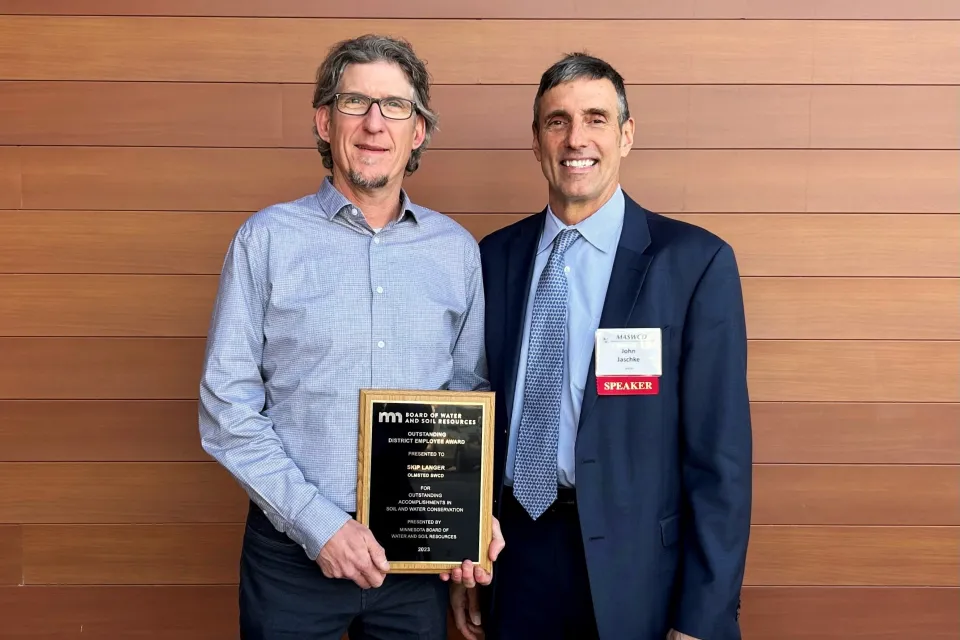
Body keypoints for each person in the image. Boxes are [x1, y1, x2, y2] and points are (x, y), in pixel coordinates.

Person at [198, 34, 500, 640]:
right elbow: (225, 409)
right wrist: (320, 526)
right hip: (290, 562)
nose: (373, 123)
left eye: (395, 106)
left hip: (415, 565)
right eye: (354, 103)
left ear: (418, 131)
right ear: (323, 120)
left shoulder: (456, 253)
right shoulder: (265, 242)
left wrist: (471, 513)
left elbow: (469, 399)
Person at [449, 53, 752, 640]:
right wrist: (464, 553)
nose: (575, 139)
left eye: (595, 118)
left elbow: (721, 462)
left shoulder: (694, 264)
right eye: (557, 121)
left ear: (626, 135)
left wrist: (702, 616)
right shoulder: (492, 259)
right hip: (516, 555)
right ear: (536, 141)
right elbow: (473, 410)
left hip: (640, 572)